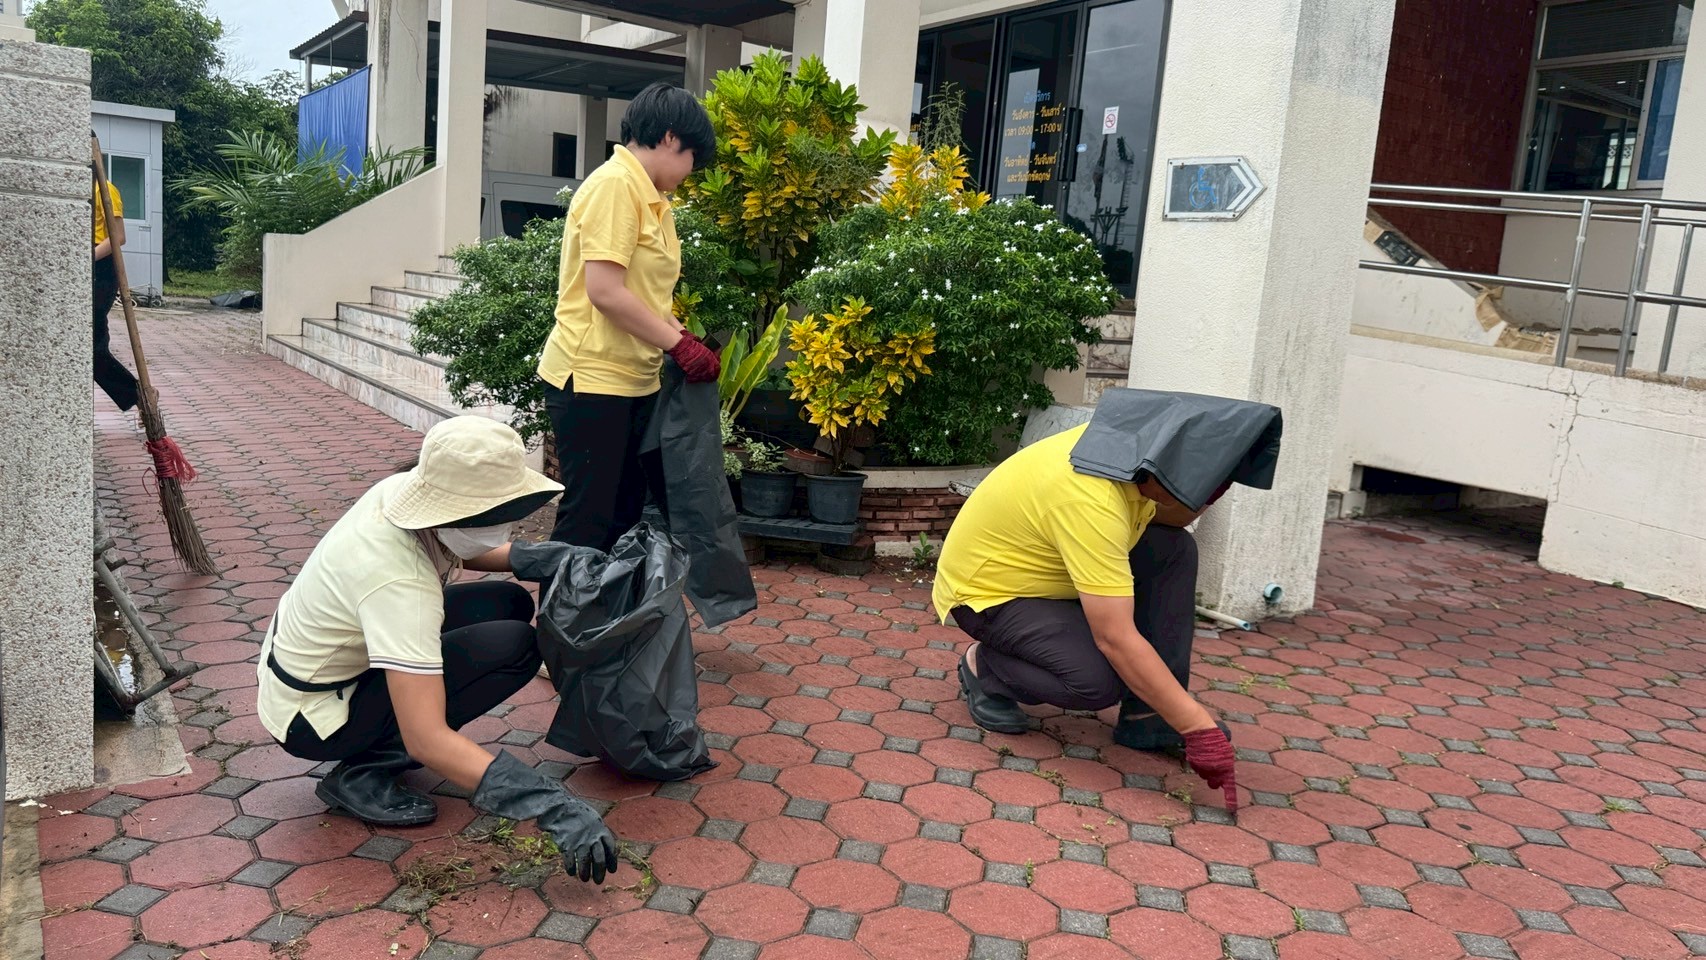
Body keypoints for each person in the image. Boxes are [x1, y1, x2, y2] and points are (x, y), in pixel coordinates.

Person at [258, 416, 619, 883]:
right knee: (513, 647)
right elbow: (425, 738)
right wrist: (552, 804)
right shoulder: (399, 585)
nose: (505, 526)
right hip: (315, 717)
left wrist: (542, 556)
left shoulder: (402, 491)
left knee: (508, 602)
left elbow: (461, 541)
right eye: (495, 516)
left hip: (323, 663)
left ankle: (375, 742)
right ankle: (363, 772)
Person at [933, 418, 1251, 809]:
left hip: (1052, 574)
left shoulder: (1132, 450)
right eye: (1188, 486)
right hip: (991, 594)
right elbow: (1114, 638)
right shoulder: (1090, 497)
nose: (1190, 495)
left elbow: (1171, 517)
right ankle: (985, 669)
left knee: (1173, 549)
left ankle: (1149, 719)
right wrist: (1198, 728)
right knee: (1097, 681)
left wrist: (1214, 484)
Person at [539, 82, 721, 554]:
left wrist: (683, 336)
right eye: (692, 157)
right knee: (589, 520)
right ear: (669, 137)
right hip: (592, 378)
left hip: (634, 380)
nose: (691, 170)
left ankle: (607, 603)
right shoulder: (616, 186)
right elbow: (604, 291)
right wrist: (678, 346)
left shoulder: (653, 200)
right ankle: (562, 605)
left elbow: (646, 296)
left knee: (622, 516)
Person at [92, 174, 140, 411]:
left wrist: (88, 257)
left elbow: (118, 236)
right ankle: (138, 395)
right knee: (90, 350)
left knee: (93, 349)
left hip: (100, 269)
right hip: (81, 266)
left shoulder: (105, 189)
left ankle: (139, 395)